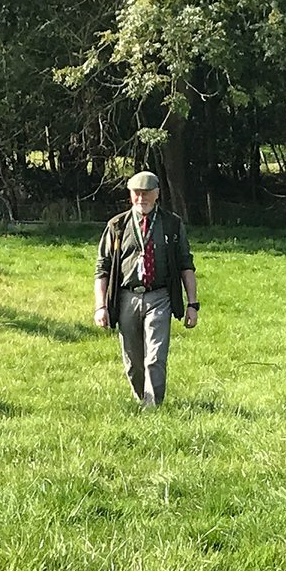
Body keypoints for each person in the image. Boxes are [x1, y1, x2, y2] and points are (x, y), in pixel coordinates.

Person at [94, 171, 199, 407]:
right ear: (131, 195)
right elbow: (102, 268)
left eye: (147, 193)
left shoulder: (172, 224)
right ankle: (140, 398)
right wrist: (100, 307)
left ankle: (153, 407)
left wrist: (192, 305)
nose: (142, 198)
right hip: (126, 297)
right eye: (137, 193)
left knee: (155, 356)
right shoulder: (117, 226)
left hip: (159, 296)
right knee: (133, 360)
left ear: (157, 194)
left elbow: (186, 264)